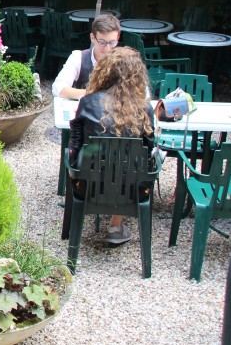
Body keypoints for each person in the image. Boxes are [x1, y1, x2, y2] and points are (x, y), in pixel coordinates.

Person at [67, 47, 157, 245]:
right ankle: (115, 226)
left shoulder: (88, 102)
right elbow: (148, 149)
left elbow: (75, 144)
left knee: (103, 162)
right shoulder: (145, 109)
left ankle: (85, 219)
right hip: (132, 190)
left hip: (88, 185)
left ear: (105, 72)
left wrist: (73, 165)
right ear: (137, 76)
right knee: (132, 165)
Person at [51, 13, 121, 100]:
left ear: (118, 38)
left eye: (112, 42)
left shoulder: (123, 62)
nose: (107, 48)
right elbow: (58, 88)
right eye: (102, 42)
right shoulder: (78, 57)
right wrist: (94, 94)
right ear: (92, 38)